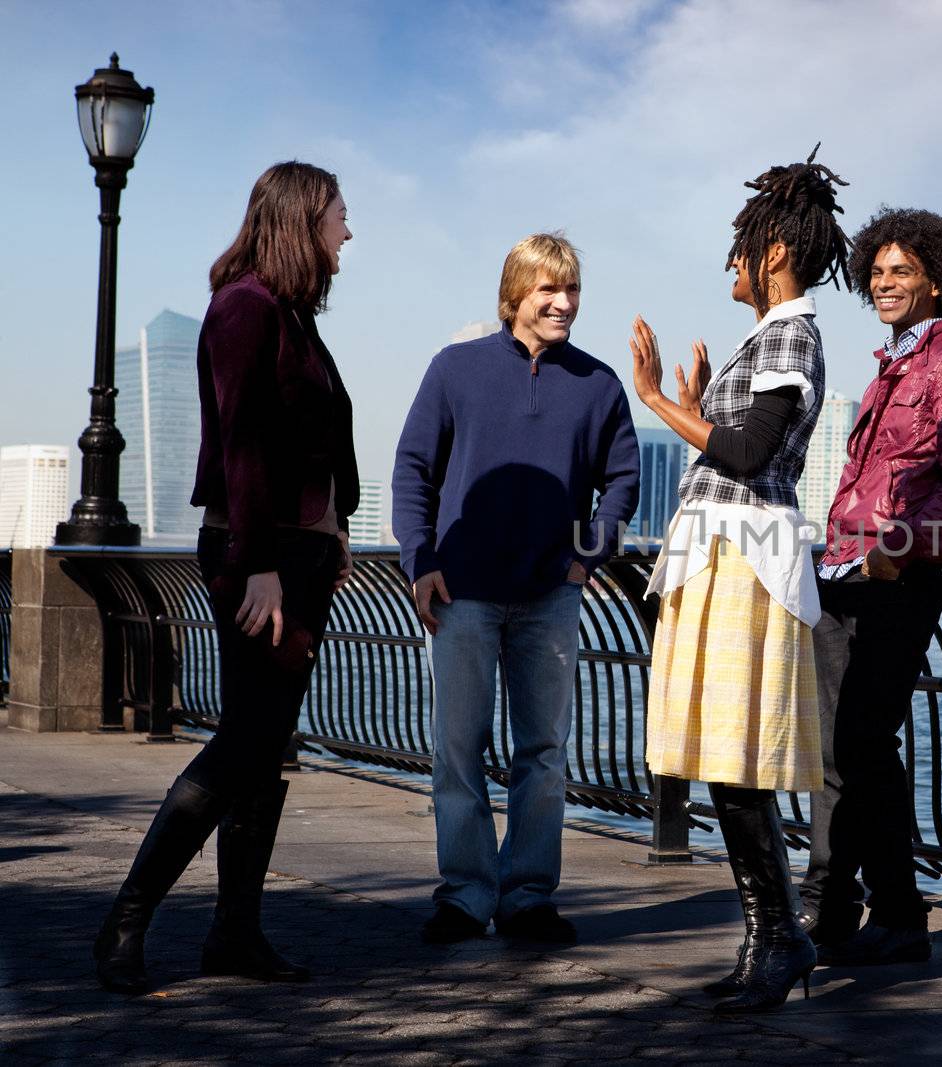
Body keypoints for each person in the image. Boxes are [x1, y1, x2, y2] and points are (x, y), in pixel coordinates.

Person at [94, 161, 359, 993]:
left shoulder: (288, 313)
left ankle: (235, 934)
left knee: (263, 744)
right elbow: (243, 445)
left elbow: (312, 442)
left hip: (299, 554)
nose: (349, 232)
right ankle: (125, 925)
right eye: (340, 217)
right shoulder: (243, 309)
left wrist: (337, 526)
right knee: (245, 741)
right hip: (262, 559)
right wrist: (264, 566)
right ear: (302, 219)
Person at [631, 147, 851, 1013]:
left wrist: (658, 400)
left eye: (742, 247)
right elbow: (738, 442)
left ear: (775, 254)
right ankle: (774, 933)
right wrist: (697, 404)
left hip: (743, 560)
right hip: (727, 551)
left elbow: (752, 453)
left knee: (739, 760)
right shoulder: (767, 336)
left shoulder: (791, 331)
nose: (730, 262)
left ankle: (778, 935)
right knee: (727, 759)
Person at [393, 233, 639, 945]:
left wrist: (587, 556)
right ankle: (466, 895)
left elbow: (622, 478)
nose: (564, 304)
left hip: (550, 598)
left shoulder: (597, 385)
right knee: (457, 748)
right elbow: (413, 470)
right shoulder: (454, 370)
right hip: (462, 592)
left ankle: (528, 895)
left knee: (544, 752)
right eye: (548, 292)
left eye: (572, 292)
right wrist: (420, 560)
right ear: (515, 296)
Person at [800, 207, 942, 966]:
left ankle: (899, 915)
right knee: (838, 748)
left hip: (894, 577)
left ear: (938, 281)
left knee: (864, 741)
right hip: (842, 574)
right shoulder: (893, 365)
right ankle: (847, 907)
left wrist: (901, 549)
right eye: (877, 272)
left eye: (901, 271)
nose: (884, 282)